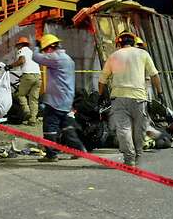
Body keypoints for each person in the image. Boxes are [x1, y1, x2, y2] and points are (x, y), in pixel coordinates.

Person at [98, 31, 163, 167]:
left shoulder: (113, 56)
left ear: (119, 43)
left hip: (119, 97)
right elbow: (155, 75)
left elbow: (102, 80)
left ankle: (129, 160)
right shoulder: (143, 54)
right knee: (140, 129)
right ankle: (138, 156)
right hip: (139, 98)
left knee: (124, 129)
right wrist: (160, 93)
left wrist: (101, 96)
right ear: (133, 42)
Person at [32, 33, 85, 162]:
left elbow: (36, 57)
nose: (45, 53)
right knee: (66, 126)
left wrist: (36, 48)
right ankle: (79, 149)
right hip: (66, 99)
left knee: (50, 127)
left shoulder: (56, 58)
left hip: (55, 100)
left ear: (50, 47)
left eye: (45, 50)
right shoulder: (67, 58)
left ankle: (51, 154)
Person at [7, 36, 41, 125]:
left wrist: (10, 66)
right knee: (33, 99)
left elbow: (22, 61)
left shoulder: (21, 51)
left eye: (18, 45)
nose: (17, 47)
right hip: (38, 76)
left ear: (21, 44)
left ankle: (27, 112)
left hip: (28, 75)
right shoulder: (31, 52)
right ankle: (33, 120)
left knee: (20, 95)